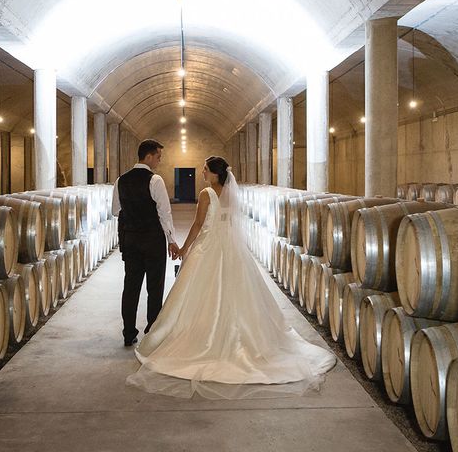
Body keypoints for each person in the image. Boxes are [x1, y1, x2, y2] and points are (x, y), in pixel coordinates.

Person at [126, 156, 336, 399]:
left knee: (199, 294)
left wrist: (184, 250)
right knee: (237, 293)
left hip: (208, 248)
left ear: (214, 173)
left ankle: (205, 340)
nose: (202, 172)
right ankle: (240, 340)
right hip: (231, 248)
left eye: (205, 169)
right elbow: (233, 222)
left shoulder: (206, 194)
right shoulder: (230, 192)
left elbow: (197, 225)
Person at [112, 139, 180, 346]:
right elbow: (164, 214)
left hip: (130, 239)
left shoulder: (120, 180)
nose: (159, 161)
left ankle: (128, 332)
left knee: (131, 286)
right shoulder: (155, 180)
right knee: (155, 286)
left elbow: (116, 211)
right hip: (152, 240)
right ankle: (152, 330)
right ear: (148, 156)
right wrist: (172, 240)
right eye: (158, 156)